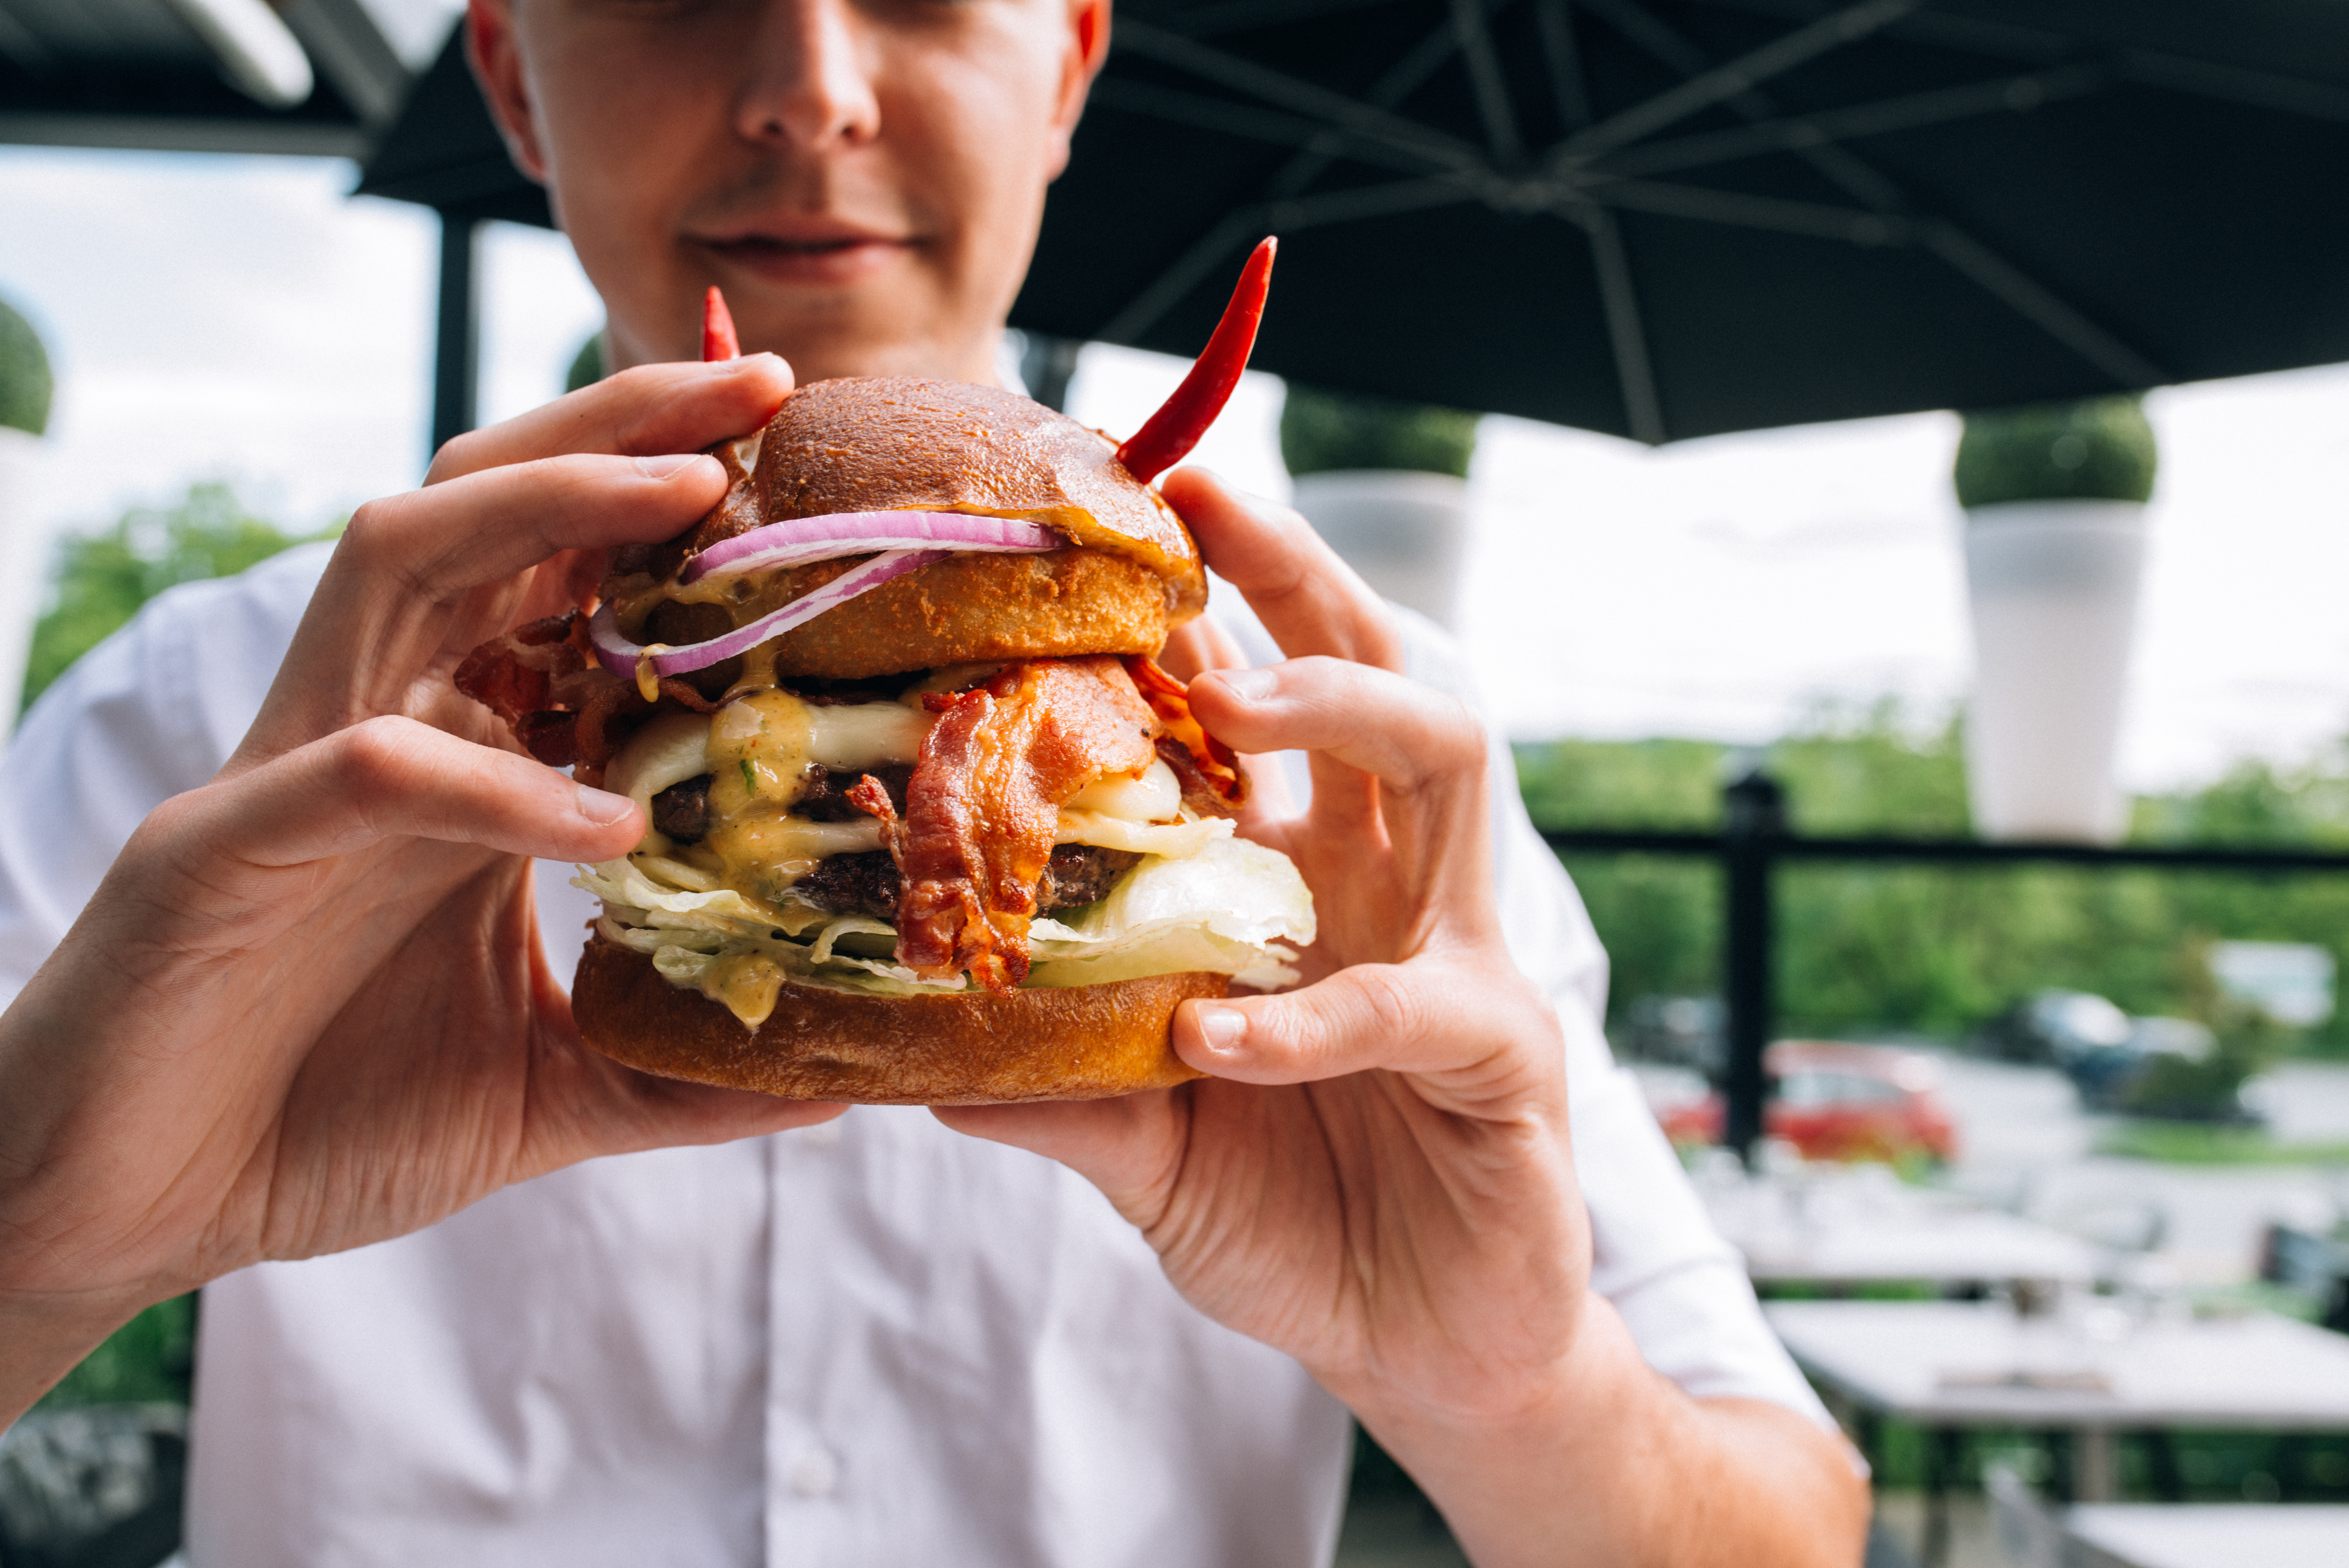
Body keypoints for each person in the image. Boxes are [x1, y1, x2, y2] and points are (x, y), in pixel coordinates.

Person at [0, 1, 1869, 1563]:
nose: (809, 79)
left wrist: (1516, 1393)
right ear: (510, 78)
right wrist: (44, 1239)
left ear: (1064, 64)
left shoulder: (1362, 766)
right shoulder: (212, 722)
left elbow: (1793, 1514)